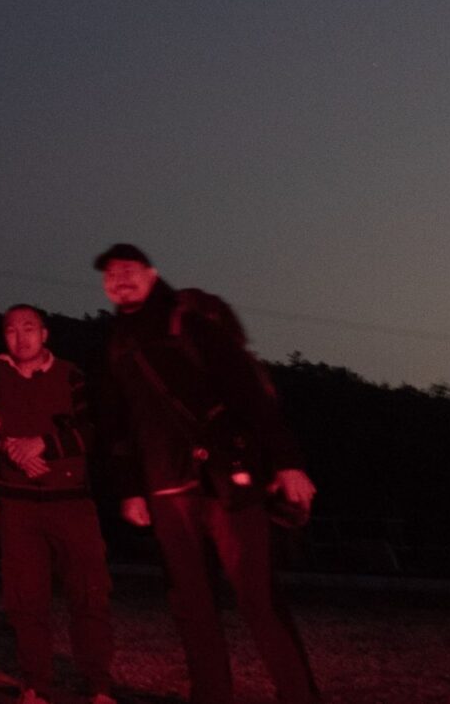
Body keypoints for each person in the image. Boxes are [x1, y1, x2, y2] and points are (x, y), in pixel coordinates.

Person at [96, 243, 317, 704]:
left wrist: (288, 461)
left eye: (130, 268)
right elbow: (119, 423)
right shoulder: (117, 341)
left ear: (152, 274)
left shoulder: (188, 323)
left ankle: (299, 695)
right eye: (111, 273)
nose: (120, 277)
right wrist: (130, 489)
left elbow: (249, 396)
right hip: (164, 487)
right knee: (191, 605)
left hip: (224, 481)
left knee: (258, 600)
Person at [0, 305, 114, 704]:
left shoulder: (71, 373)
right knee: (25, 599)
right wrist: (8, 447)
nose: (20, 336)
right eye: (11, 330)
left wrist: (44, 444)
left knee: (89, 593)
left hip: (71, 501)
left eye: (29, 328)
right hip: (17, 504)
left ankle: (98, 685)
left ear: (44, 333)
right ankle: (35, 685)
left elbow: (93, 428)